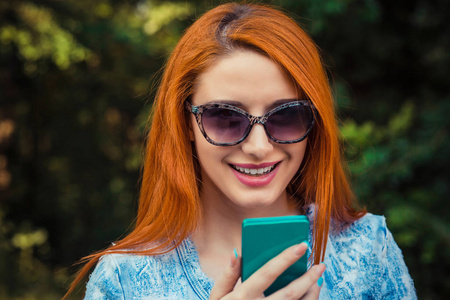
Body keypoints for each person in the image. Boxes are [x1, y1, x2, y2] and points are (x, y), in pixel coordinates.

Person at [65, 3, 416, 299]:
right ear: (185, 122)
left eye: (288, 116)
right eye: (225, 118)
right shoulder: (123, 282)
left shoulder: (369, 250)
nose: (259, 147)